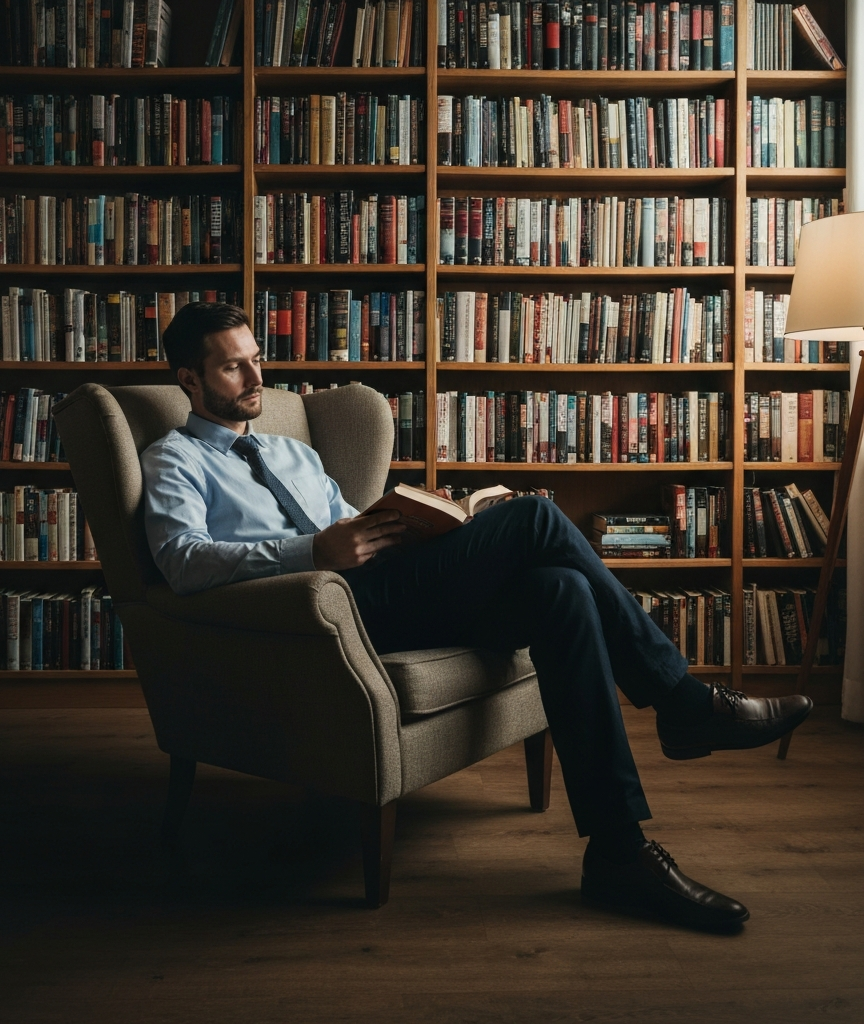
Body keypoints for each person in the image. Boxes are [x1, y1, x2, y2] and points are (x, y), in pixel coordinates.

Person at [141, 302, 813, 931]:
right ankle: (685, 703)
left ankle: (617, 853)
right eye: (234, 365)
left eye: (257, 358)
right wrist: (311, 549)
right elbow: (182, 562)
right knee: (538, 517)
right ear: (189, 380)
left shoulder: (294, 452)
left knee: (559, 591)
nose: (258, 376)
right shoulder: (175, 459)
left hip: (384, 589)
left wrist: (410, 527)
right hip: (322, 617)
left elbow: (346, 524)